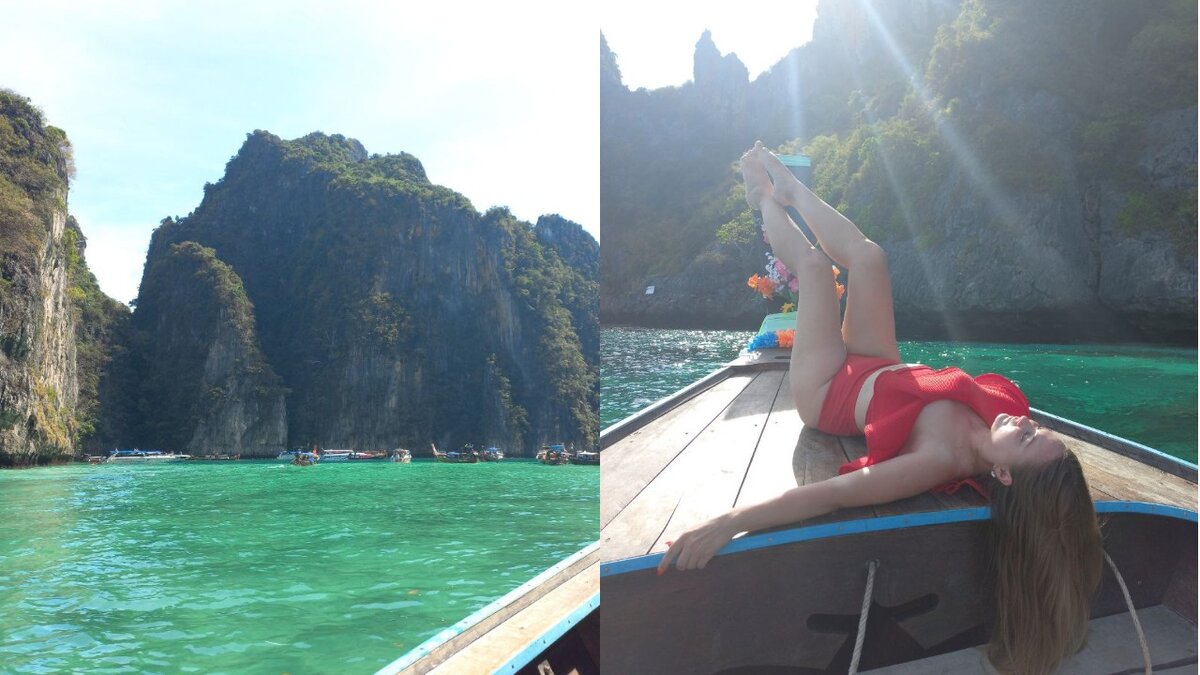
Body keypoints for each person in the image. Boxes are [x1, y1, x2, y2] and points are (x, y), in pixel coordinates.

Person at [657, 142, 1103, 675]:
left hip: (830, 391)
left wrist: (729, 522)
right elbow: (1052, 501)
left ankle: (763, 199)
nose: (1026, 421)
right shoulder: (1001, 417)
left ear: (1003, 474)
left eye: (1027, 438)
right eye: (1038, 427)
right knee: (870, 257)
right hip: (880, 365)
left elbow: (831, 495)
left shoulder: (937, 459)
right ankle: (792, 191)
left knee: (815, 268)